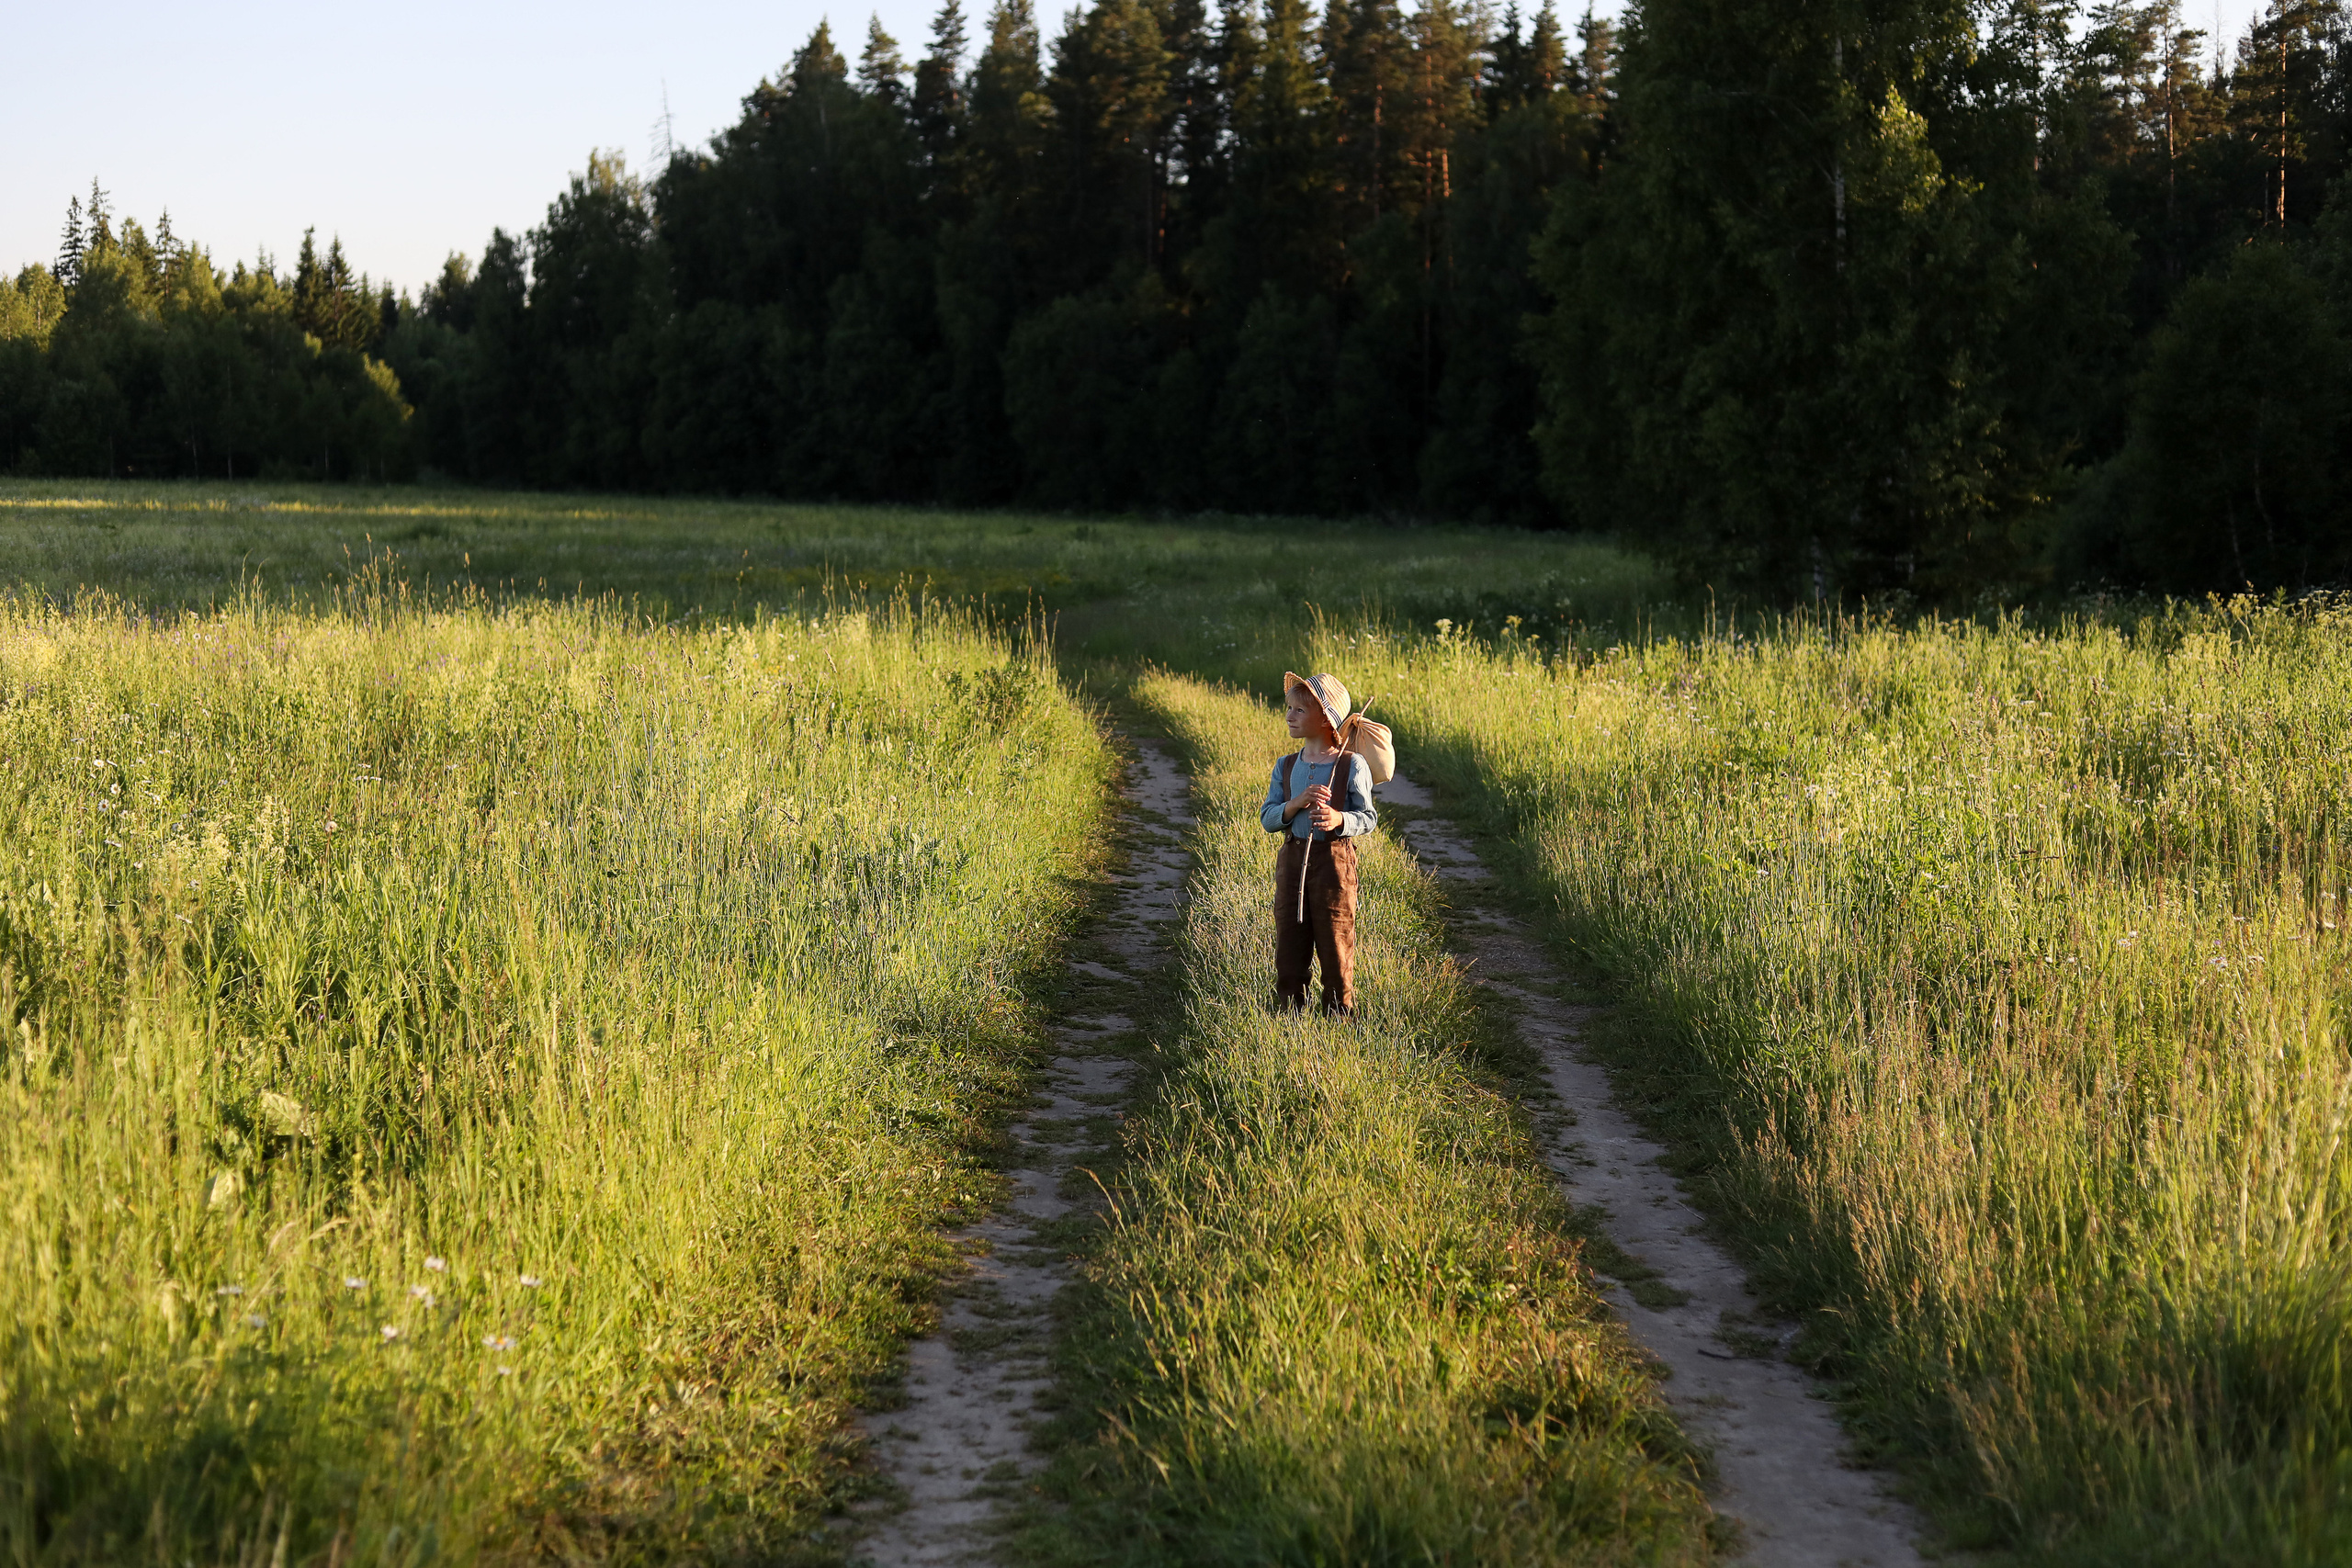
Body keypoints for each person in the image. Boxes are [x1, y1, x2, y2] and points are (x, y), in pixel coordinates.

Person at [1262, 671, 1376, 1015]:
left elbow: (1368, 817)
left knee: (1335, 940)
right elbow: (1268, 818)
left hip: (1334, 865)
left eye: (1299, 710)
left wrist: (1340, 820)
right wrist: (1295, 804)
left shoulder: (1350, 765)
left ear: (1326, 718)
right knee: (1289, 942)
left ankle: (1339, 1015)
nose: (1289, 716)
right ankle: (1289, 1014)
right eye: (1289, 709)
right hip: (1293, 861)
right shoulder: (1286, 766)